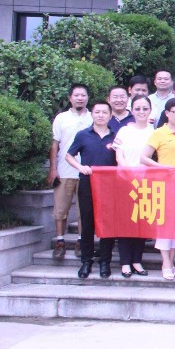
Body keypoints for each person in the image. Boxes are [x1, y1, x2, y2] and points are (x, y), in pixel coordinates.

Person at [141, 97, 175, 280]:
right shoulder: (159, 133)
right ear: (167, 113)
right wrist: (162, 167)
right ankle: (165, 263)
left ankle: (171, 262)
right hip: (165, 184)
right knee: (165, 225)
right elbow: (144, 158)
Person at [65, 101, 117, 279]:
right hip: (88, 183)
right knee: (87, 223)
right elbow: (69, 155)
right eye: (97, 112)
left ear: (110, 115)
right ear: (92, 114)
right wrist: (80, 167)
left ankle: (105, 261)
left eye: (104, 112)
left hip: (110, 186)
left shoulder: (116, 137)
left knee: (108, 224)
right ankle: (86, 261)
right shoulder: (83, 135)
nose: (101, 115)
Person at [49, 84, 92, 259]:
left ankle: (81, 241)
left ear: (88, 98)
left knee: (84, 210)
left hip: (86, 171)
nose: (80, 98)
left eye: (83, 95)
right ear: (70, 98)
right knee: (60, 209)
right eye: (76, 95)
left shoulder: (93, 117)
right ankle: (60, 242)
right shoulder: (61, 118)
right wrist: (53, 169)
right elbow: (55, 144)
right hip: (64, 171)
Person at [112, 97, 153, 277]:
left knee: (141, 223)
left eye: (145, 108)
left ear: (150, 110)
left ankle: (137, 260)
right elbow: (119, 156)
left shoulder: (154, 131)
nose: (141, 112)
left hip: (146, 183)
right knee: (125, 223)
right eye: (137, 108)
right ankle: (125, 262)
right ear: (132, 110)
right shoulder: (124, 131)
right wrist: (128, 172)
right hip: (125, 181)